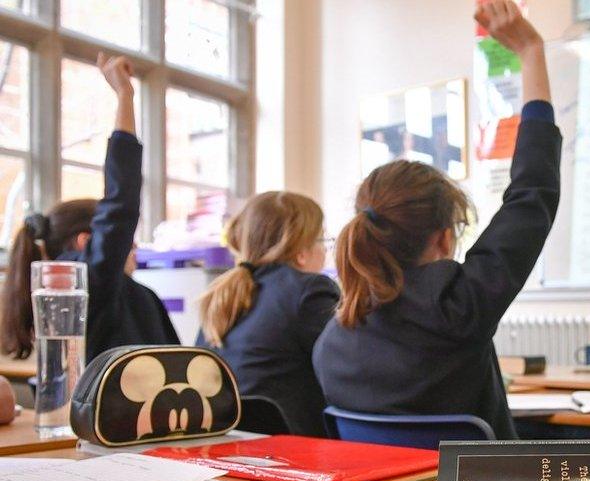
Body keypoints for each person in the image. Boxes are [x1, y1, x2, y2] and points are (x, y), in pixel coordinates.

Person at [313, 0, 560, 440]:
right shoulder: (460, 307)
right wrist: (531, 52)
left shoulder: (331, 342)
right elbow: (532, 192)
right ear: (444, 240)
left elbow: (530, 194)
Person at [1, 53, 178, 362]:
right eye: (128, 241)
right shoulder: (82, 286)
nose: (132, 247)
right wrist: (125, 96)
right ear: (85, 241)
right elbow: (120, 202)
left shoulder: (132, 294)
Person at [196, 192, 339, 437]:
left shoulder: (222, 296)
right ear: (302, 252)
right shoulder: (310, 290)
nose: (325, 251)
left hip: (229, 441)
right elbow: (341, 371)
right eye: (322, 240)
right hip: (294, 447)